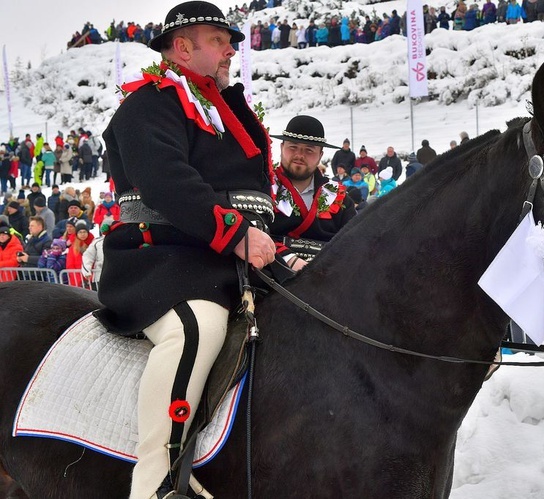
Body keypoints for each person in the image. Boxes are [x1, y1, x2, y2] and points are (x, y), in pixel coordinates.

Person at [95, 2, 278, 497]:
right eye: (219, 40)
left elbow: (253, 191)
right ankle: (157, 481)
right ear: (182, 47)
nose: (231, 49)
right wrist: (236, 233)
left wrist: (276, 246)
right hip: (161, 262)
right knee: (196, 328)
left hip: (225, 263)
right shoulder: (150, 103)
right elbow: (164, 181)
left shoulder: (221, 109)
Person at [269, 115, 355, 267]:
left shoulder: (340, 199)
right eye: (293, 147)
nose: (299, 155)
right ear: (282, 148)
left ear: (320, 155)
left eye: (309, 150)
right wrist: (288, 259)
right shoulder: (264, 187)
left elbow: (353, 245)